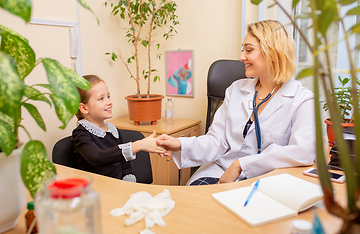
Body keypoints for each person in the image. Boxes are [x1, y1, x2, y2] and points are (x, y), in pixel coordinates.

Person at [157, 20, 316, 185]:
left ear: (273, 53)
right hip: (220, 171)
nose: (241, 57)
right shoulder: (236, 90)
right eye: (242, 50)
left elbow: (304, 151)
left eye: (249, 50)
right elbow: (217, 141)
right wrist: (179, 144)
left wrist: (241, 165)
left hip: (266, 180)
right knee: (199, 202)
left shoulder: (302, 101)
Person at [72, 75, 165, 182]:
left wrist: (128, 180)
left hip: (117, 187)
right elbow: (97, 158)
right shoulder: (80, 134)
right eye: (101, 98)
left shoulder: (113, 130)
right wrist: (138, 145)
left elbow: (124, 164)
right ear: (84, 108)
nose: (109, 102)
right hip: (96, 191)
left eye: (108, 96)